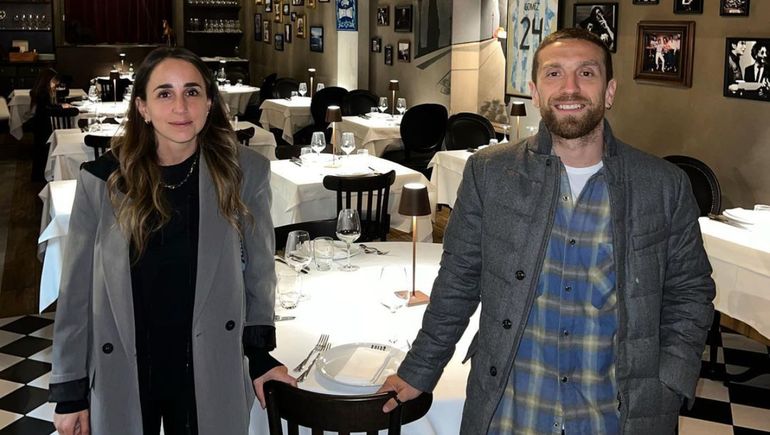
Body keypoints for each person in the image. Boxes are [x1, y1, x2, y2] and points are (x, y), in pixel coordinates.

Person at [379, 28, 715, 434]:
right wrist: (419, 369)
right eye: (554, 74)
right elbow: (458, 280)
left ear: (609, 91)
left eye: (586, 73)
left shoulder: (662, 185)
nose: (569, 88)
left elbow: (691, 291)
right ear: (535, 93)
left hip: (615, 418)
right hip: (511, 412)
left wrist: (671, 380)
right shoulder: (491, 174)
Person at [49, 47, 295, 435]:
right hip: (128, 362)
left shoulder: (243, 172)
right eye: (164, 93)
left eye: (192, 92)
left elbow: (260, 271)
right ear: (143, 107)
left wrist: (260, 353)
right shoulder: (102, 181)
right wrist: (69, 390)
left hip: (209, 359)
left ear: (209, 103)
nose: (180, 106)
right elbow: (77, 292)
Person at [29, 67, 70, 182]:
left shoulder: (40, 92)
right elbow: (48, 108)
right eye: (53, 81)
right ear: (47, 81)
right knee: (42, 150)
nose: (55, 84)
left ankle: (38, 175)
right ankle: (41, 176)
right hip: (43, 125)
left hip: (39, 123)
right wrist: (61, 107)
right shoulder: (43, 93)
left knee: (39, 151)